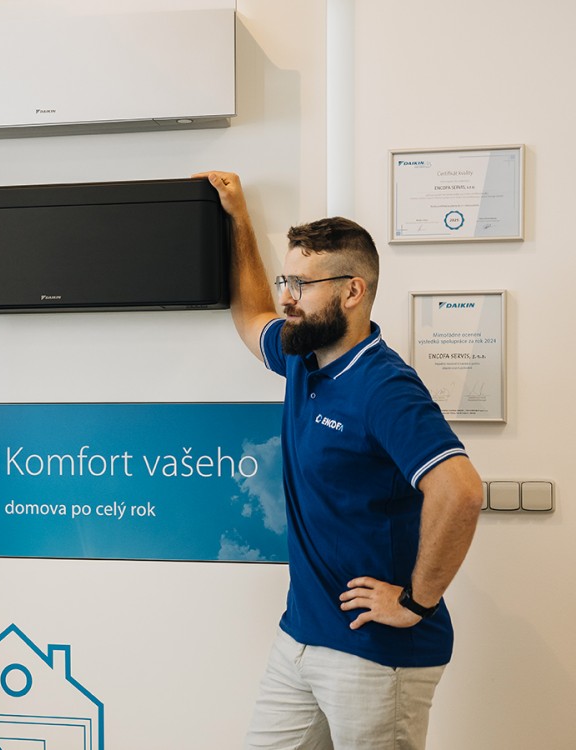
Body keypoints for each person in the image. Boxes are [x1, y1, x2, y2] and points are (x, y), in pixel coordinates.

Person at [197, 171, 483, 749]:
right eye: (285, 280)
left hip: (377, 654)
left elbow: (461, 490)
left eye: (301, 284)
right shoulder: (303, 358)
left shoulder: (384, 387)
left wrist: (415, 602)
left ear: (352, 292)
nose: (287, 297)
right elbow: (252, 318)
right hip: (301, 637)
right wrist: (239, 218)